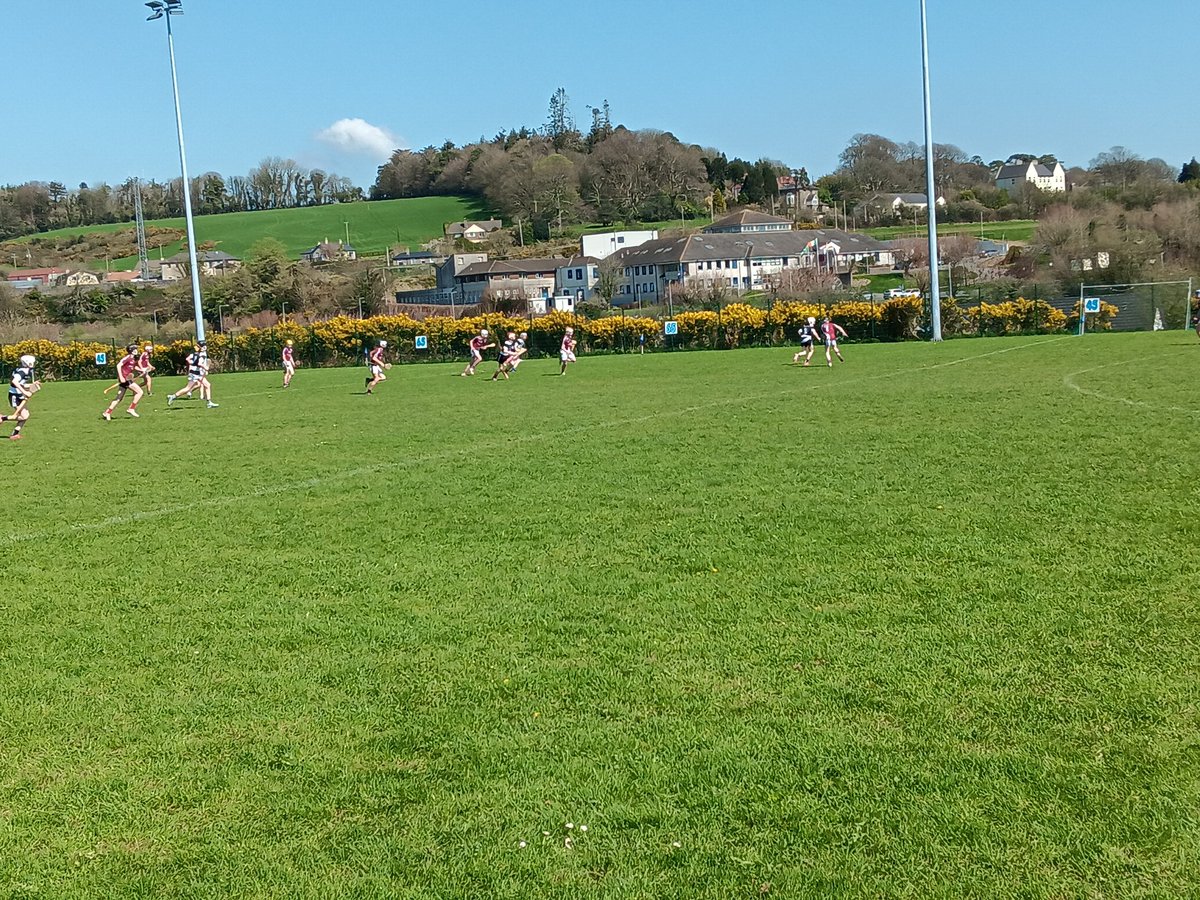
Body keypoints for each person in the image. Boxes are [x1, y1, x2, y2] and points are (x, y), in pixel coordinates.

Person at [167, 341, 218, 408]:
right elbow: (199, 363)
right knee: (188, 388)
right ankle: (173, 396)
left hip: (195, 373)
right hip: (196, 374)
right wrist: (205, 367)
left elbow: (187, 359)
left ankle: (209, 402)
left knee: (207, 385)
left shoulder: (194, 354)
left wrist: (192, 363)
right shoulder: (202, 355)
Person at [1, 354, 39, 440]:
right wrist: (24, 392)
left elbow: (21, 384)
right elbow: (14, 382)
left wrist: (32, 385)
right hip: (14, 396)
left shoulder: (25, 370)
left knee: (26, 415)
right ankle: (3, 418)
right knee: (24, 416)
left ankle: (15, 434)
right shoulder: (22, 371)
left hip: (19, 395)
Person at [103, 344, 144, 420]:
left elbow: (133, 367)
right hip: (125, 379)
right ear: (132, 350)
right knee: (140, 392)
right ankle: (131, 408)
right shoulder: (128, 357)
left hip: (126, 379)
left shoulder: (133, 358)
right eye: (135, 349)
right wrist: (121, 377)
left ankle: (107, 412)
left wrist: (141, 370)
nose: (137, 350)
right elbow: (118, 365)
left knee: (119, 398)